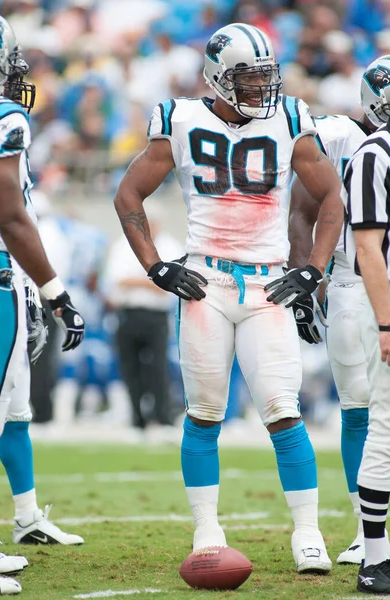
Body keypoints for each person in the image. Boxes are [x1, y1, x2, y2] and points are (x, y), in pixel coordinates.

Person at [113, 23, 343, 574]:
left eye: (266, 74)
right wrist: (157, 266)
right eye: (249, 76)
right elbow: (129, 194)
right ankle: (207, 527)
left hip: (268, 284)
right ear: (218, 77)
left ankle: (308, 532)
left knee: (283, 412)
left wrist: (312, 270)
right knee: (205, 413)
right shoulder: (180, 118)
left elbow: (331, 194)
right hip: (205, 281)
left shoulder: (291, 117)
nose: (263, 86)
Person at [0, 11, 85, 595]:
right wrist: (55, 291)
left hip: (4, 274)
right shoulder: (1, 115)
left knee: (12, 408)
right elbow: (9, 214)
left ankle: (26, 518)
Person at [287, 80, 377, 563]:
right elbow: (304, 209)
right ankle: (370, 529)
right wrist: (307, 281)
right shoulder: (341, 135)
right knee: (358, 406)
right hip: (351, 283)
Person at [339, 54, 390, 595]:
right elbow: (369, 250)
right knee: (385, 430)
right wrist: (387, 322)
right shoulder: (375, 153)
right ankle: (375, 558)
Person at [105, 200, 183, 431]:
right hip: (128, 312)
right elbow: (117, 279)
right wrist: (150, 280)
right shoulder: (123, 245)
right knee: (131, 368)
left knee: (159, 368)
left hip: (156, 315)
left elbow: (168, 286)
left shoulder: (170, 246)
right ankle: (136, 419)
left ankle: (163, 417)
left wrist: (138, 281)